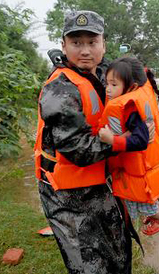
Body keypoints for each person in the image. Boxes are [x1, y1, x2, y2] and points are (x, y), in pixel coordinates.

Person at [34, 11, 132, 272]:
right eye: (76, 43)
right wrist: (129, 142)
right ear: (64, 45)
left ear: (104, 44)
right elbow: (77, 149)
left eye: (92, 42)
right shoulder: (60, 89)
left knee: (119, 258)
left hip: (101, 185)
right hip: (67, 196)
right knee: (90, 267)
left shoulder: (106, 76)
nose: (85, 51)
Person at [97, 57, 159, 236]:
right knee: (138, 198)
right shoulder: (137, 96)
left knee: (135, 198)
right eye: (107, 83)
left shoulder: (130, 107)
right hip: (138, 168)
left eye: (113, 85)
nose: (108, 89)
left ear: (131, 86)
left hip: (138, 170)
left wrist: (112, 140)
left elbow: (140, 141)